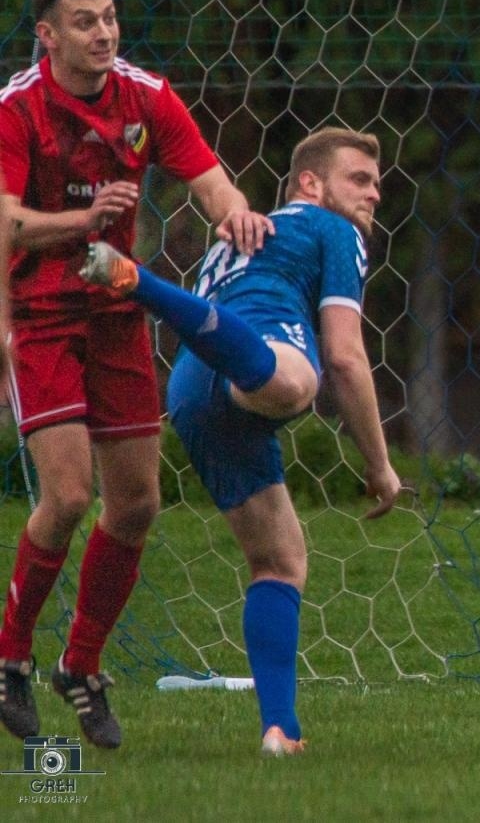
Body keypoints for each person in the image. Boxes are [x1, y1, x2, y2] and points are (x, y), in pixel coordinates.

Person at [0, 0, 271, 750]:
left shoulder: (145, 96)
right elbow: (7, 221)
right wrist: (80, 224)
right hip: (43, 314)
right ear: (48, 35)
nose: (105, 32)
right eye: (85, 21)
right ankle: (10, 654)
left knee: (139, 502)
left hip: (117, 312)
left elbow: (208, 178)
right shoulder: (18, 107)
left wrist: (235, 214)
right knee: (67, 495)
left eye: (110, 17)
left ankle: (80, 664)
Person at [80, 126, 407, 755]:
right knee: (300, 381)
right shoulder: (333, 230)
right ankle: (137, 281)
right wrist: (380, 465)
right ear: (311, 183)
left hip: (191, 388)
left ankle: (281, 730)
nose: (373, 194)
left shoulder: (243, 231)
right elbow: (345, 355)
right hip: (257, 356)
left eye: (377, 184)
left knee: (282, 559)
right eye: (359, 179)